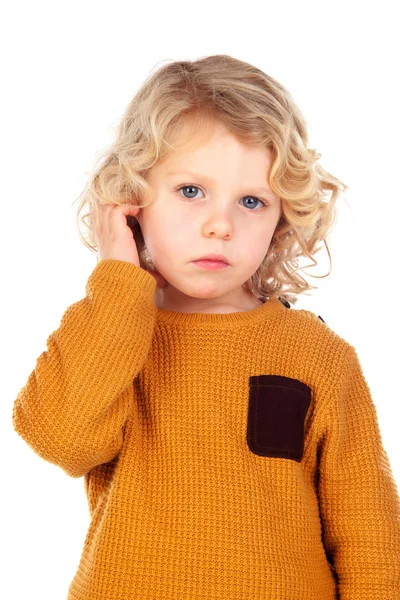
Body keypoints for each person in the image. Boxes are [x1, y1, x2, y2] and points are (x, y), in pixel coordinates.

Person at [12, 54, 400, 600]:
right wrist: (119, 280)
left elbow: (371, 541)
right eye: (191, 191)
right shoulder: (111, 332)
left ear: (281, 217)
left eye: (251, 201)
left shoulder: (318, 355)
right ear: (130, 199)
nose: (220, 225)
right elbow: (63, 438)